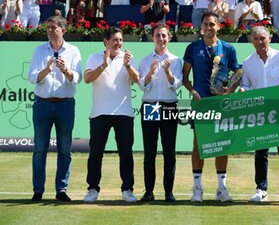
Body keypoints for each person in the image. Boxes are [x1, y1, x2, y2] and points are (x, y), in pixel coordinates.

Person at [239, 26, 279, 204]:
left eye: (263, 38)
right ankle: (261, 189)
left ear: (270, 38)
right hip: (260, 112)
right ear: (252, 42)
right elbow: (247, 85)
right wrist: (244, 90)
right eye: (256, 39)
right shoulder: (248, 62)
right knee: (261, 153)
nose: (260, 42)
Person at [182, 11, 239, 202]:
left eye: (212, 24)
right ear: (201, 27)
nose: (209, 27)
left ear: (218, 26)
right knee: (198, 143)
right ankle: (197, 188)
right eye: (205, 24)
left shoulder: (228, 48)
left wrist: (230, 89)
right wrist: (192, 91)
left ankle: (221, 188)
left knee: (221, 144)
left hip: (221, 102)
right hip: (201, 103)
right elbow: (184, 77)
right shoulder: (192, 48)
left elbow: (238, 72)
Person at [28, 15, 82, 201]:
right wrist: (48, 68)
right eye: (48, 27)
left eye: (54, 27)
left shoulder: (73, 51)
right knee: (39, 150)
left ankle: (61, 190)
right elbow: (32, 77)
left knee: (64, 150)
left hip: (65, 104)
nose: (50, 30)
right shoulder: (39, 50)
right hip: (42, 104)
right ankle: (38, 190)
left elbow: (77, 78)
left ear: (63, 30)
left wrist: (66, 70)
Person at [83, 27, 139, 203]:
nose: (119, 43)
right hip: (99, 113)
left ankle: (127, 190)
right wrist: (103, 65)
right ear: (105, 41)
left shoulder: (128, 58)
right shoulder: (94, 57)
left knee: (126, 153)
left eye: (121, 40)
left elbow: (137, 79)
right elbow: (87, 78)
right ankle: (92, 189)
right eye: (115, 39)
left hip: (124, 113)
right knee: (95, 154)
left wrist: (128, 66)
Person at [138, 24, 183, 202]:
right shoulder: (145, 59)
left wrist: (167, 71)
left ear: (169, 37)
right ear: (153, 37)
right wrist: (149, 73)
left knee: (169, 152)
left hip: (169, 106)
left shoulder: (175, 60)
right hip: (150, 105)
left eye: (164, 35)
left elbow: (177, 84)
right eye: (158, 36)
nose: (161, 39)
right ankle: (149, 191)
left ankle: (168, 192)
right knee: (149, 152)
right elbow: (142, 86)